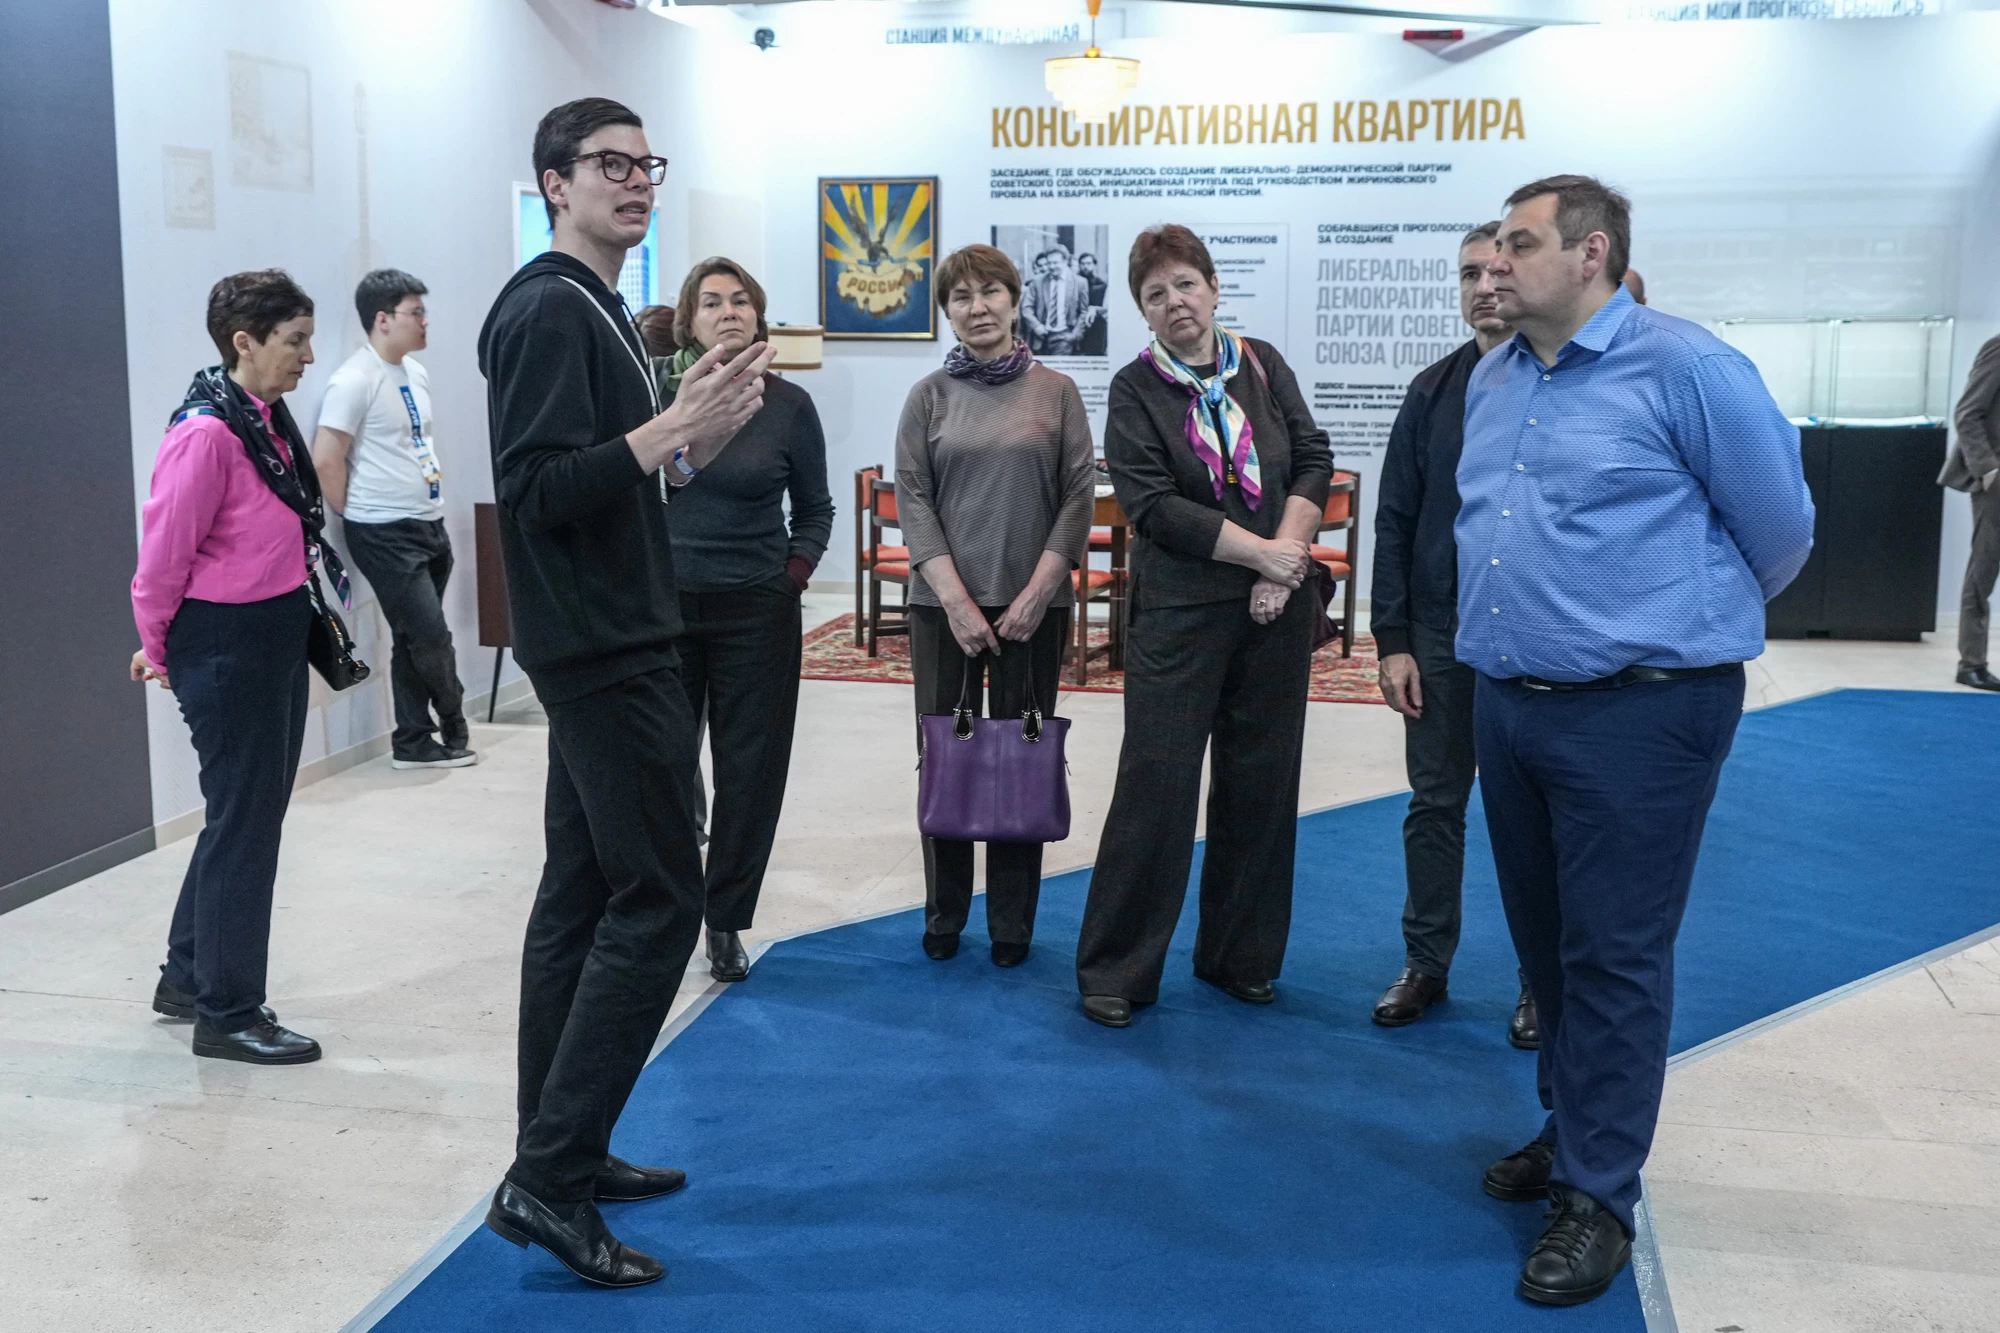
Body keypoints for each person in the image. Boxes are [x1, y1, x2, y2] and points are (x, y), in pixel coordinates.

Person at [1462, 176, 1813, 1306]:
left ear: (1591, 253)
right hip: (1509, 702)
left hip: (1643, 712)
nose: (1495, 265)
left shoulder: (1689, 366)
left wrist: (1668, 627)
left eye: (1519, 244)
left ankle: (1599, 1196)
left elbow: (1780, 532)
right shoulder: (1492, 376)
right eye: (1494, 245)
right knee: (1547, 945)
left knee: (1613, 954)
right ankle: (1574, 1130)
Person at [476, 96, 775, 1288]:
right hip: (605, 642)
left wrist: (684, 441)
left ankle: (562, 1144)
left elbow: (603, 475)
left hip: (610, 627)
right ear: (554, 182)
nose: (636, 180)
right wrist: (668, 433)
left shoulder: (594, 302)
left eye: (647, 162)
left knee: (582, 890)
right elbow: (536, 491)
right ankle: (548, 1179)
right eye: (609, 163)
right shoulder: (548, 306)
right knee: (660, 896)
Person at [1074, 224, 1332, 1030]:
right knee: (1156, 787)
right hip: (1182, 613)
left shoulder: (1264, 364)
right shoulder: (1133, 389)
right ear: (1143, 311)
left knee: (1262, 784)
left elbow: (1313, 457)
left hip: (1275, 612)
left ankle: (1238, 956)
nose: (1175, 302)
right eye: (1156, 294)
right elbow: (1153, 506)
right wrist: (1263, 556)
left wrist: (1282, 563)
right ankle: (1117, 969)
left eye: (1186, 284)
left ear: (1215, 288)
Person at [130, 269, 330, 1066]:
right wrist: (158, 648)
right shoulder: (208, 434)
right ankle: (228, 1012)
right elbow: (160, 561)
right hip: (225, 642)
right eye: (294, 341)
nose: (307, 356)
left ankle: (189, 977)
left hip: (271, 632)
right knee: (245, 828)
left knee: (244, 818)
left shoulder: (263, 419)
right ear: (244, 342)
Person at [895, 242, 1095, 968]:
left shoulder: (1058, 392)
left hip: (1033, 609)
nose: (977, 307)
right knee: (945, 760)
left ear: (1017, 301)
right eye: (961, 297)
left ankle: (1012, 923)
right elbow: (913, 499)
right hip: (942, 608)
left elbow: (1078, 496)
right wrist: (955, 600)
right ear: (947, 312)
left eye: (991, 293)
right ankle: (945, 913)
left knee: (1021, 763)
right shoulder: (928, 397)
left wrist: (1037, 593)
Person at [1369, 223, 1539, 1049]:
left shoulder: (1561, 384)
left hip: (1534, 638)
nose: (1483, 286)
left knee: (1530, 818)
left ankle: (1541, 980)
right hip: (1441, 633)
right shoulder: (1433, 390)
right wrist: (1392, 639)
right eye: (1469, 273)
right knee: (1435, 804)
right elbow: (1394, 518)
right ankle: (1425, 963)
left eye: (1496, 271)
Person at [662, 257, 835, 982]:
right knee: (662, 767)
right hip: (665, 611)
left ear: (759, 317)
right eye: (711, 302)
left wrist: (789, 579)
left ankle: (725, 918)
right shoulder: (660, 399)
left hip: (757, 609)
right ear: (689, 322)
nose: (727, 311)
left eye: (740, 301)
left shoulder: (789, 405)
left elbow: (816, 509)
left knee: (749, 772)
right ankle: (665, 909)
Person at [312, 268, 475, 770]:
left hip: (429, 523)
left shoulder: (413, 372)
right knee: (430, 636)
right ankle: (452, 716)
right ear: (382, 319)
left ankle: (412, 741)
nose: (425, 321)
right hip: (383, 531)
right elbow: (326, 458)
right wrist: (358, 512)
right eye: (415, 312)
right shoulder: (354, 379)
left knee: (412, 638)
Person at [1940, 331, 2000, 690]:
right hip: (1995, 485)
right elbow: (1967, 413)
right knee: (1983, 573)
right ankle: (1971, 664)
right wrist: (1988, 470)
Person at [1022, 246, 1090, 356]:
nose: (1051, 267)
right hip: (1040, 338)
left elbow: (1083, 311)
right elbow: (1026, 308)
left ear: (1065, 261)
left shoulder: (1080, 283)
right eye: (1049, 263)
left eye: (1055, 263)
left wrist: (1075, 334)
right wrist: (1037, 326)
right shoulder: (1037, 282)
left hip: (1065, 337)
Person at [1076, 250, 1109, 356]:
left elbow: (1103, 306)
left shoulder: (1101, 284)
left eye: (1089, 263)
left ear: (1094, 265)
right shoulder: (1075, 283)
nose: (1085, 267)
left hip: (1095, 322)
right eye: (1083, 264)